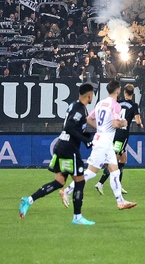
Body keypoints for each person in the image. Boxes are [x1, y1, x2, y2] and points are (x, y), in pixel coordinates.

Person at [19, 83, 97, 226]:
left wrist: (87, 137)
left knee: (59, 182)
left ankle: (28, 200)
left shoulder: (74, 105)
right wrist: (86, 140)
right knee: (80, 182)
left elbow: (75, 127)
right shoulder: (80, 109)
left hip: (61, 146)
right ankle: (77, 217)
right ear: (89, 95)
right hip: (69, 149)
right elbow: (69, 127)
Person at [62, 80, 137, 211]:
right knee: (91, 173)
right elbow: (115, 124)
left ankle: (120, 201)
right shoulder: (115, 105)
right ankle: (67, 191)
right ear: (118, 91)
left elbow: (89, 119)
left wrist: (101, 128)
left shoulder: (100, 103)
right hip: (103, 143)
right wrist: (123, 123)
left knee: (115, 170)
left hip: (105, 143)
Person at [95, 83, 143, 196]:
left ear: (124, 92)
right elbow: (138, 121)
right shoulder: (134, 105)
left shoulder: (118, 103)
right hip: (122, 135)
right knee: (114, 159)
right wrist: (140, 125)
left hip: (114, 132)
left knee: (123, 159)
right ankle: (100, 183)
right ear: (133, 93)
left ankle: (118, 185)